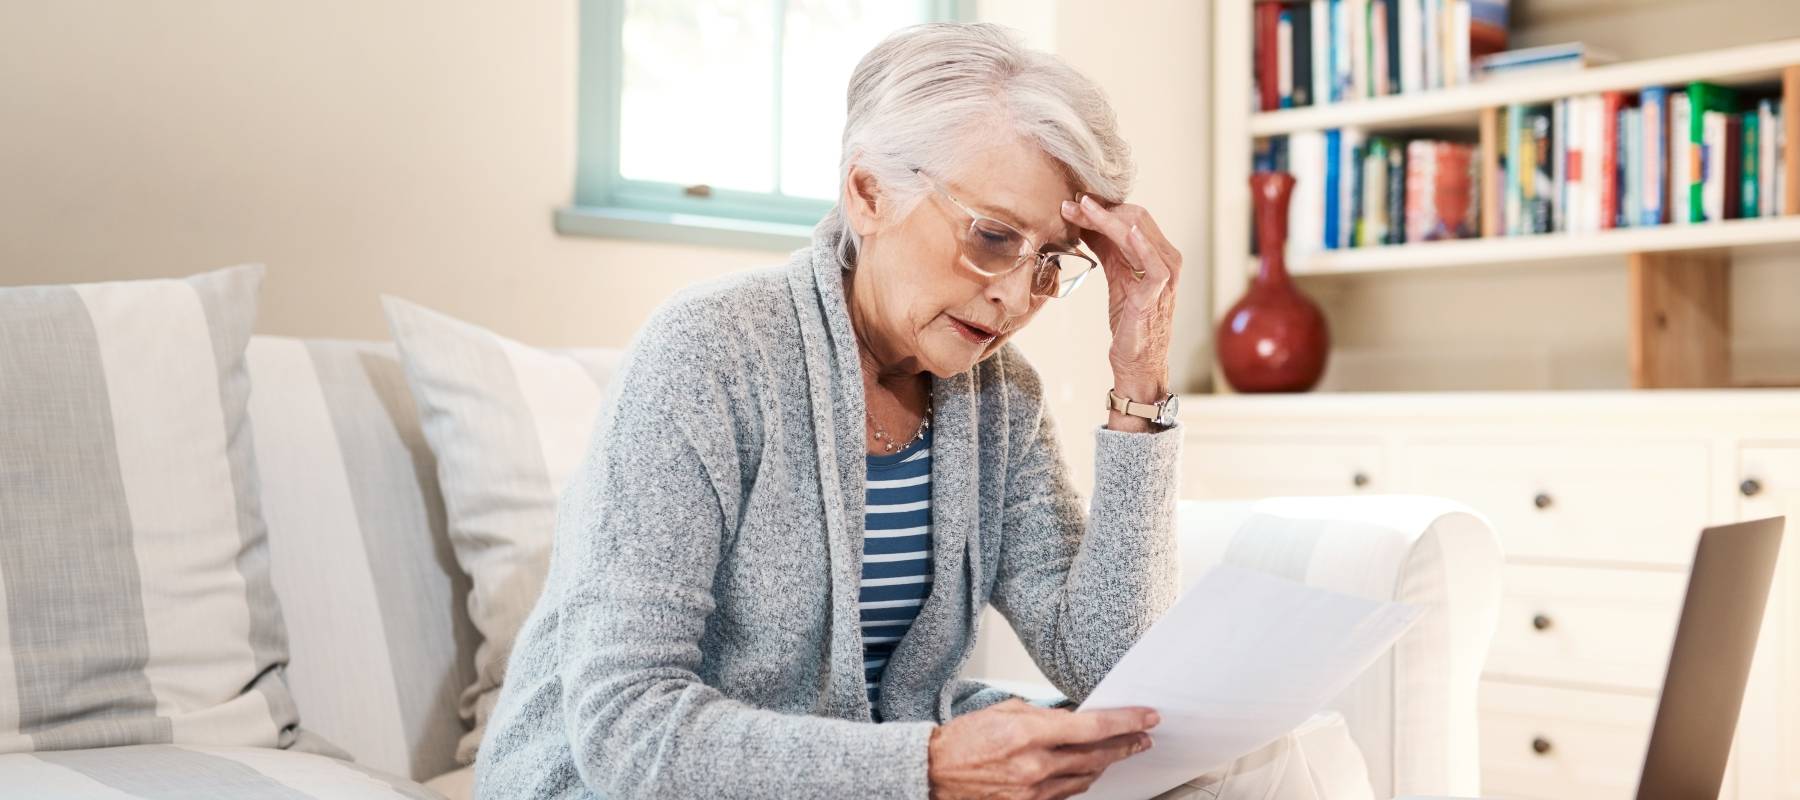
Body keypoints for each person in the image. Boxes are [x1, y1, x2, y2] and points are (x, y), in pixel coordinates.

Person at [476, 21, 1196, 800]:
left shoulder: (1001, 398)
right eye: (993, 237)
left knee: (1215, 767)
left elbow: (1111, 668)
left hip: (872, 775)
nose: (1018, 297)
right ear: (868, 192)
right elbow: (627, 727)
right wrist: (926, 768)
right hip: (608, 785)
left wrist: (1141, 378)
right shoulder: (709, 353)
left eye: (1053, 262)